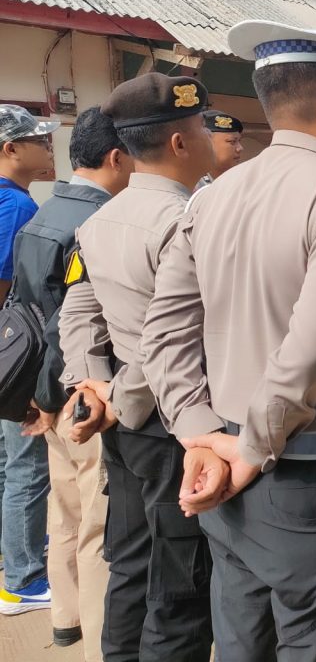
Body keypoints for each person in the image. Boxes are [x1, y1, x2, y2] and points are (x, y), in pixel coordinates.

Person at [139, 18, 316, 660]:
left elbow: (165, 332)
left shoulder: (210, 198)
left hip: (222, 468)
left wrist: (198, 431)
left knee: (243, 641)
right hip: (305, 480)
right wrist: (254, 445)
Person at [58, 73, 215, 661]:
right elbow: (167, 339)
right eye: (200, 127)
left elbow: (77, 311)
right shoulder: (190, 221)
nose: (206, 138)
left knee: (128, 565)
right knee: (180, 587)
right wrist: (118, 393)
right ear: (179, 143)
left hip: (125, 425)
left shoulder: (98, 221)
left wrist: (91, 382)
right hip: (174, 421)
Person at [11, 107, 133, 655]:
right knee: (97, 527)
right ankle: (100, 641)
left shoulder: (38, 215)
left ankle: (65, 618)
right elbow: (71, 323)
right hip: (85, 393)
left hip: (47, 394)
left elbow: (24, 316)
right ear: (117, 157)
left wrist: (33, 398)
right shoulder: (101, 222)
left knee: (64, 515)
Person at [0, 104, 58, 617]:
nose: (47, 147)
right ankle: (22, 581)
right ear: (10, 148)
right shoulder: (16, 207)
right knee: (26, 464)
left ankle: (12, 556)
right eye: (38, 139)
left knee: (5, 462)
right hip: (9, 354)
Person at [195, 109, 243, 188]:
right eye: (232, 142)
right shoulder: (192, 185)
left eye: (239, 141)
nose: (240, 148)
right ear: (208, 143)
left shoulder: (241, 182)